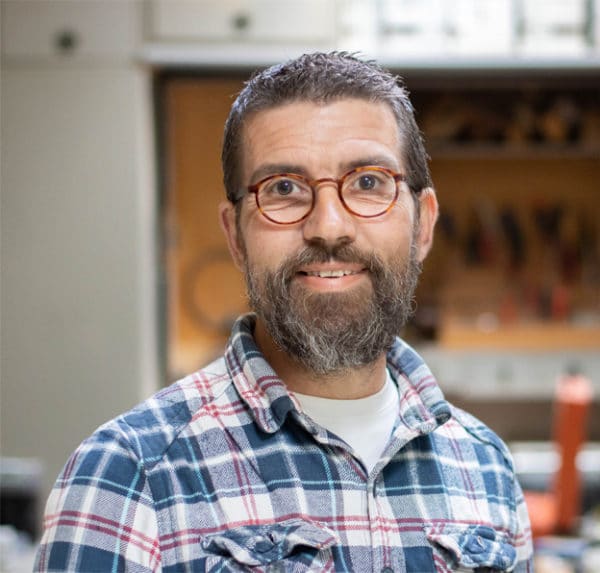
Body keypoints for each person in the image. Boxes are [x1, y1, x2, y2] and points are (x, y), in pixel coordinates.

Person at [35, 52, 533, 572]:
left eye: (368, 182)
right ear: (236, 236)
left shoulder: (486, 468)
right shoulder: (127, 477)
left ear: (423, 225)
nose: (329, 227)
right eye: (284, 189)